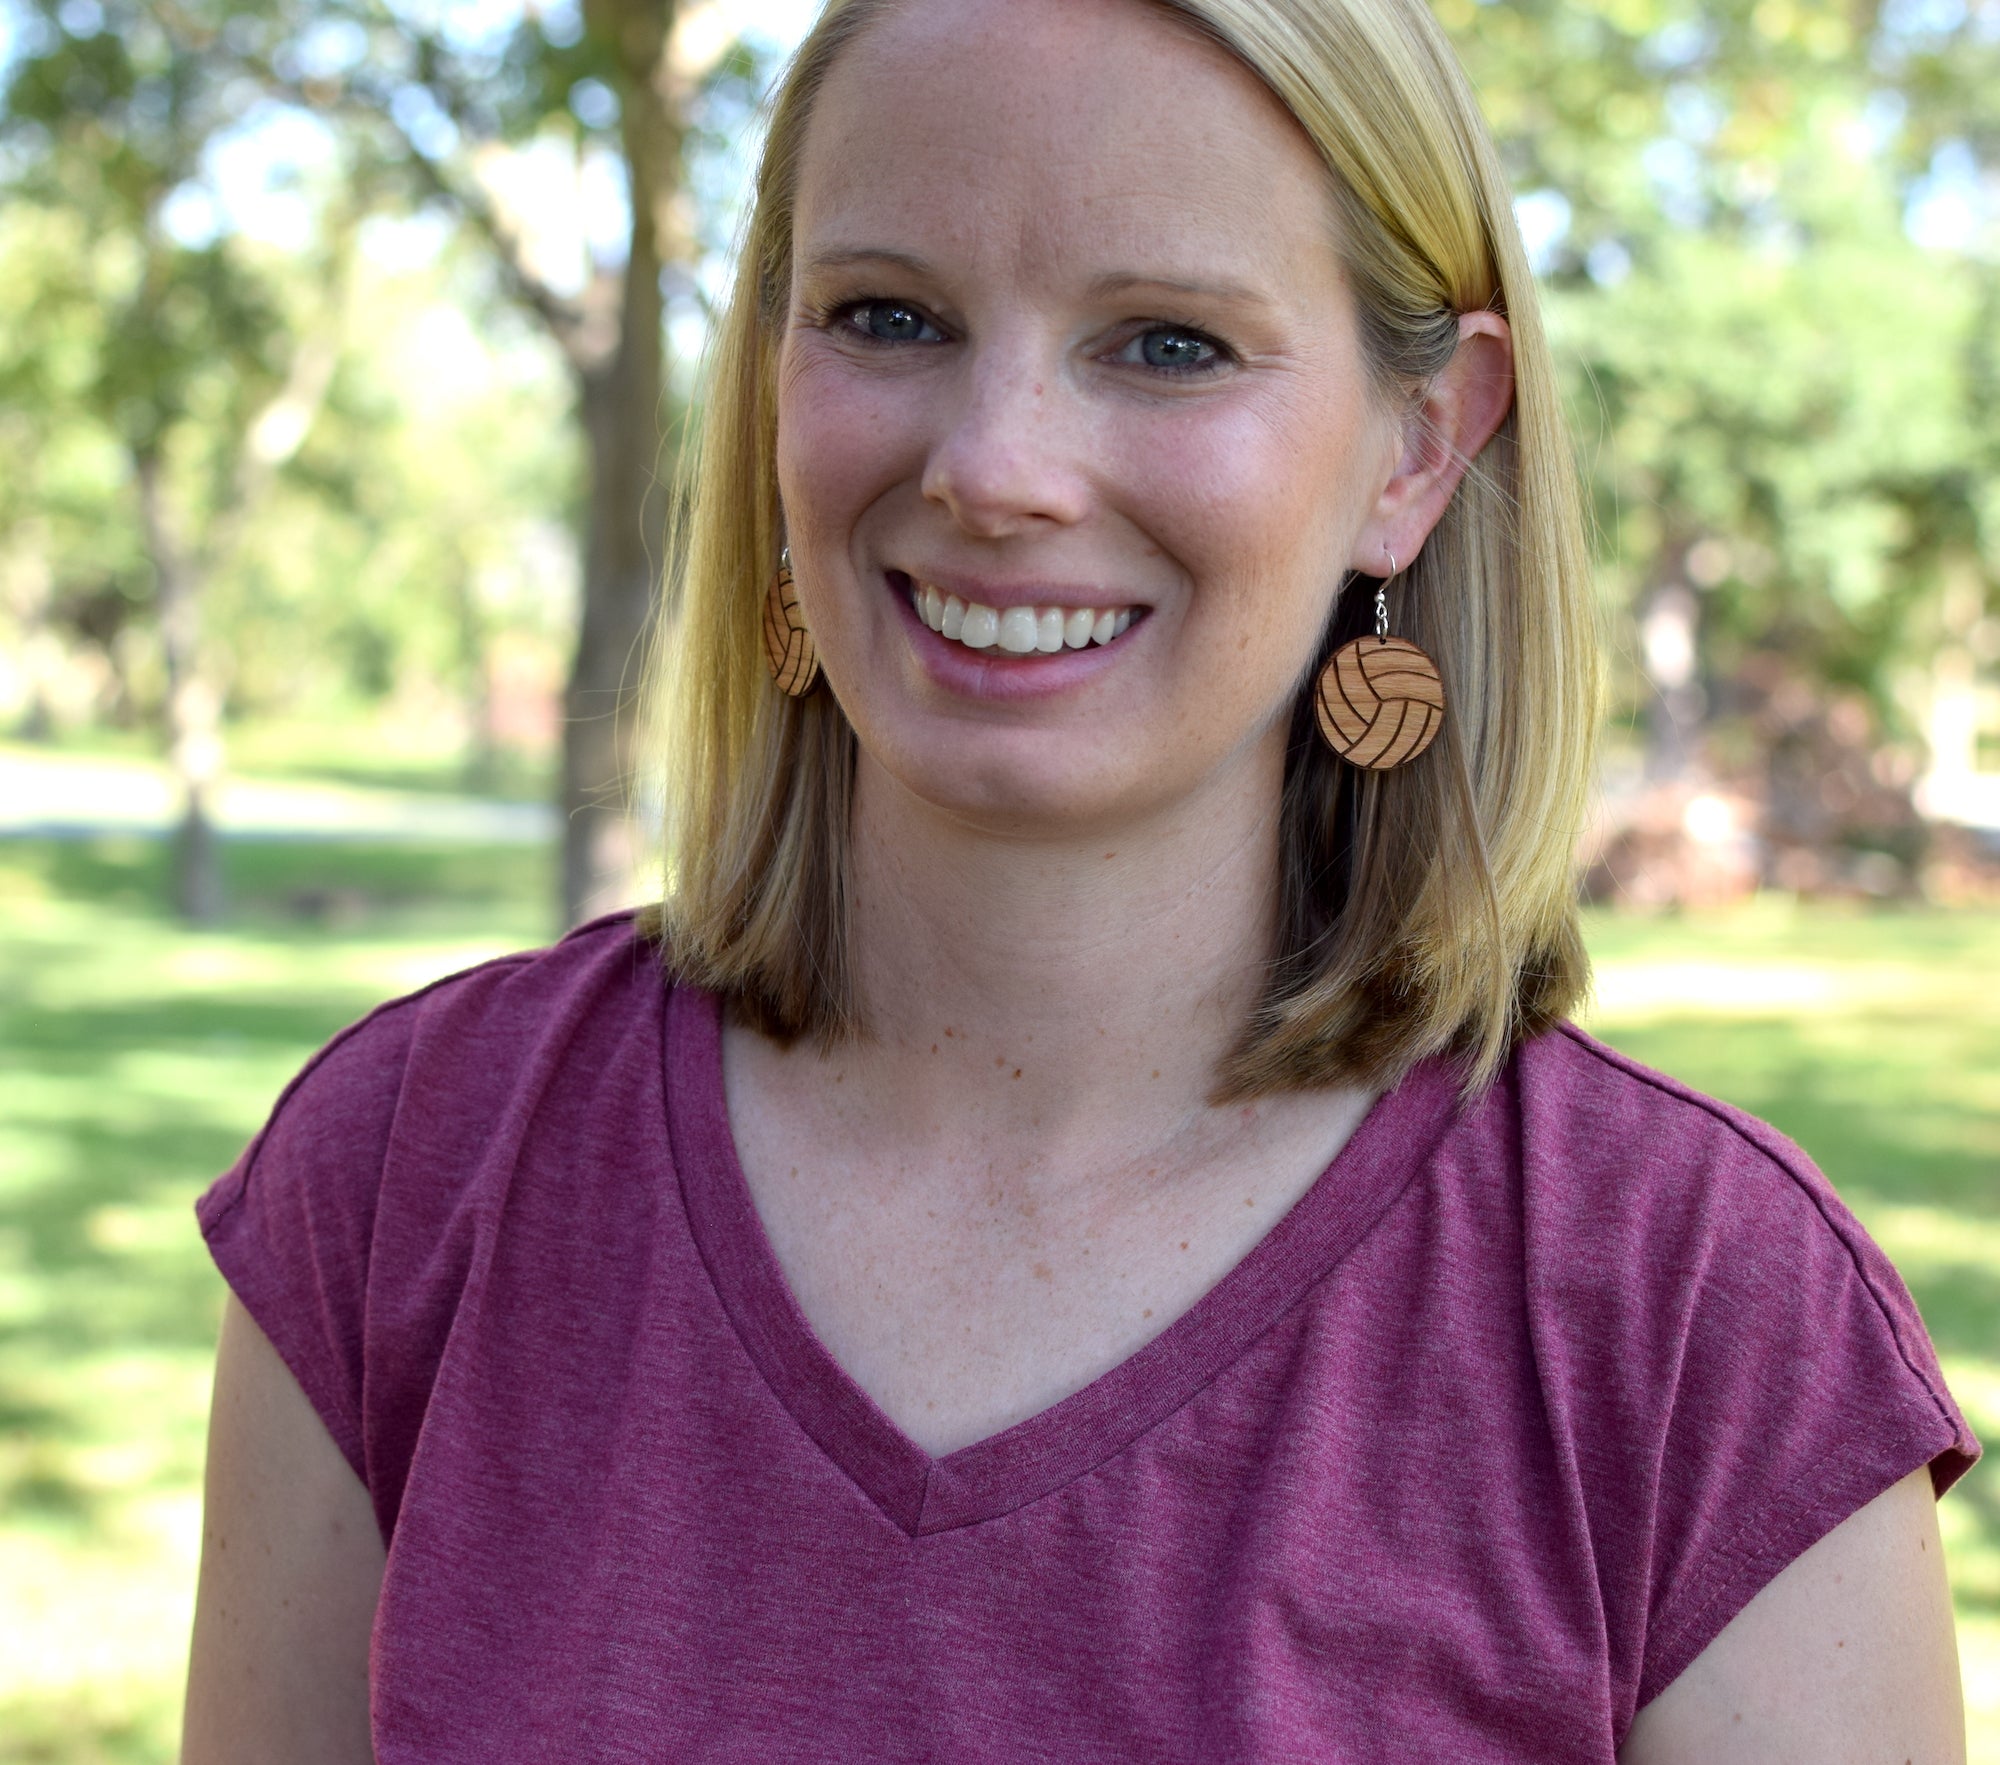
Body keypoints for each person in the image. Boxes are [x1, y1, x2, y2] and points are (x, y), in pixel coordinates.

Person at [180, 0, 1978, 1758]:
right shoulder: (403, 1180)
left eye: (1170, 342)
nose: (995, 469)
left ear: (1421, 448)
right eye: (888, 315)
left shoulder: (1699, 1320)